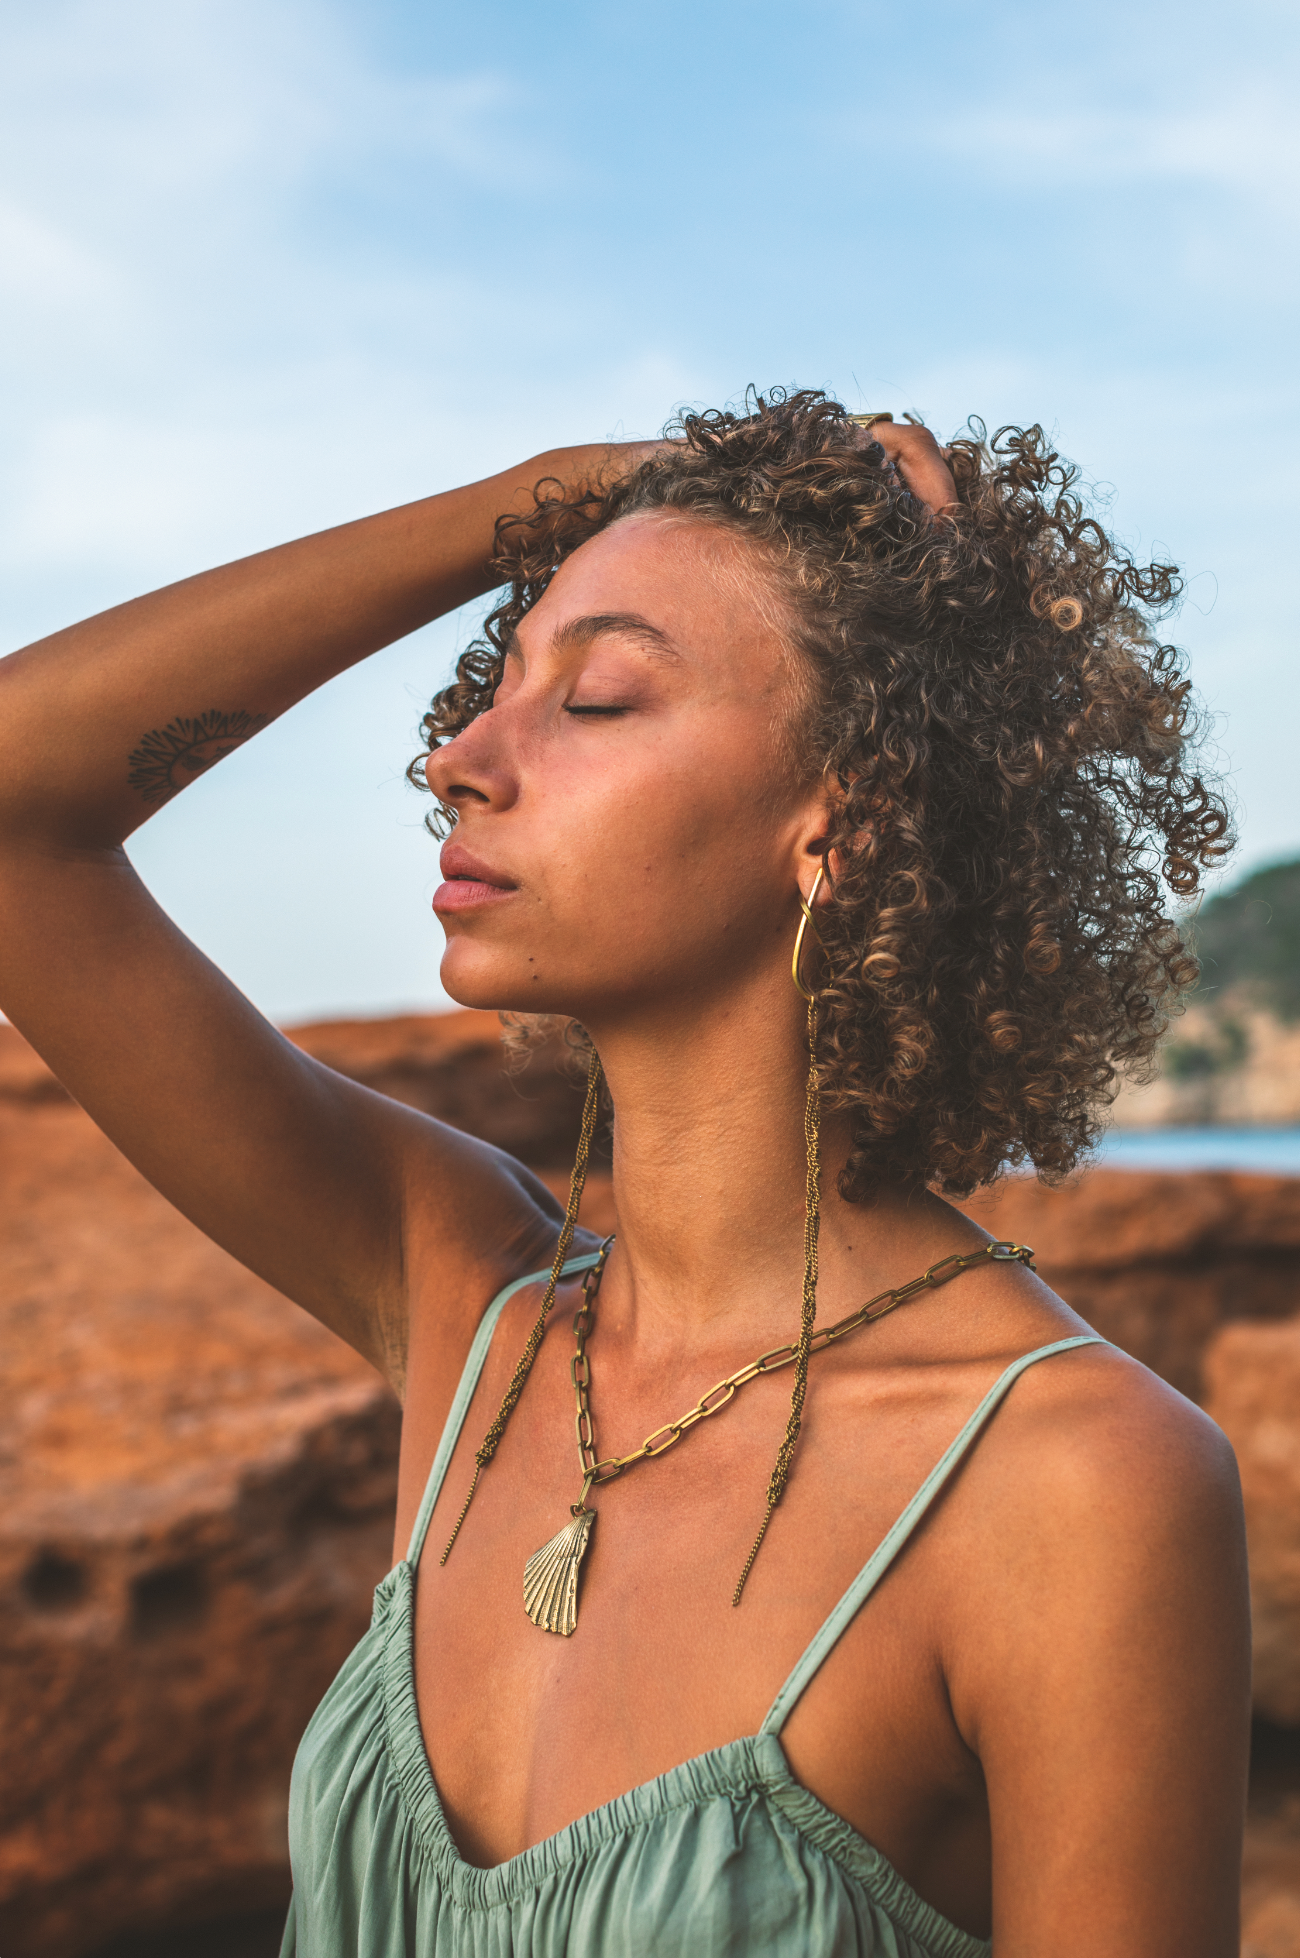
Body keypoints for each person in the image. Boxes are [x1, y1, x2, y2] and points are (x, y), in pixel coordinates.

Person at [0, 392, 1250, 1956]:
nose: (459, 756)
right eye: (494, 683)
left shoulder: (1076, 1484)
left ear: (838, 818)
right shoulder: (470, 1309)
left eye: (593, 699)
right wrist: (537, 500)